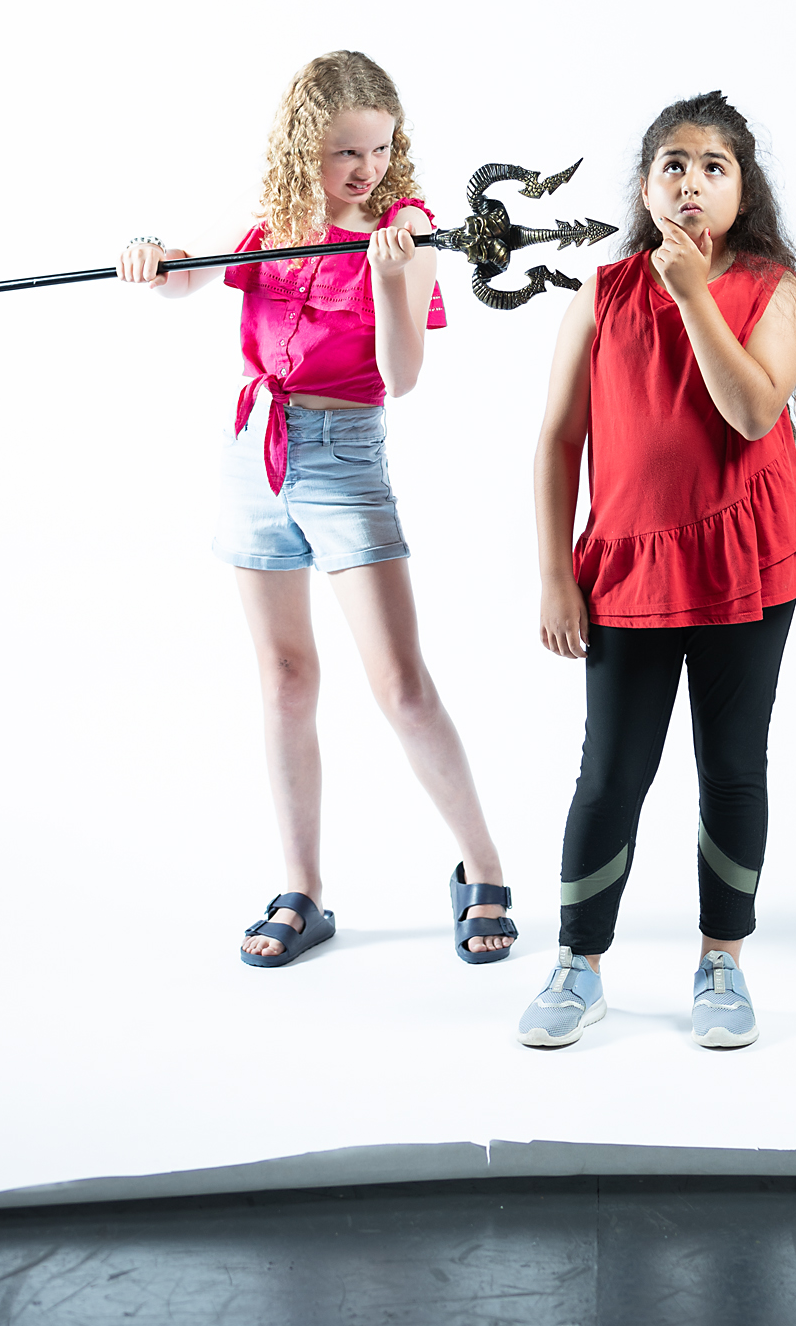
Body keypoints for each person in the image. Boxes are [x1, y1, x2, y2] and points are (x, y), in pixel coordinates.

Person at [118, 50, 515, 969]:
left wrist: (385, 276)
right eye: (345, 152)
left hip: (343, 457)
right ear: (306, 148)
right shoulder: (276, 223)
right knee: (286, 678)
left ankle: (484, 869)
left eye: (379, 149)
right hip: (251, 450)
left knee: (401, 687)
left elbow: (402, 378)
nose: (365, 169)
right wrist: (152, 255)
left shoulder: (406, 230)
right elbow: (184, 277)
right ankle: (302, 888)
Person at [517, 90, 796, 1050]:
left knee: (731, 769)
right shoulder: (602, 292)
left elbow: (750, 413)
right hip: (628, 570)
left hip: (744, 560)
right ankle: (578, 964)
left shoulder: (773, 285)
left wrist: (694, 292)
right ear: (646, 185)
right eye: (672, 164)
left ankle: (722, 962)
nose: (690, 181)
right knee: (610, 770)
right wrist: (553, 575)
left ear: (743, 190)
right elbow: (559, 437)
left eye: (713, 166)